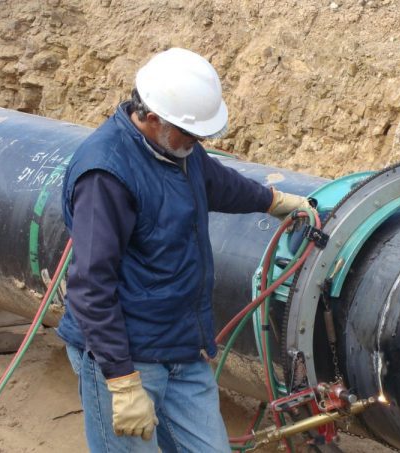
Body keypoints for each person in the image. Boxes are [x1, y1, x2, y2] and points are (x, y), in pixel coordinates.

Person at [56, 48, 310, 452]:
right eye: (191, 134)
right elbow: (91, 286)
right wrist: (122, 382)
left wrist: (276, 200)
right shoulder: (106, 175)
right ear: (152, 117)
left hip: (183, 349)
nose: (197, 143)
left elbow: (216, 181)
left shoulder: (177, 147)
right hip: (127, 357)